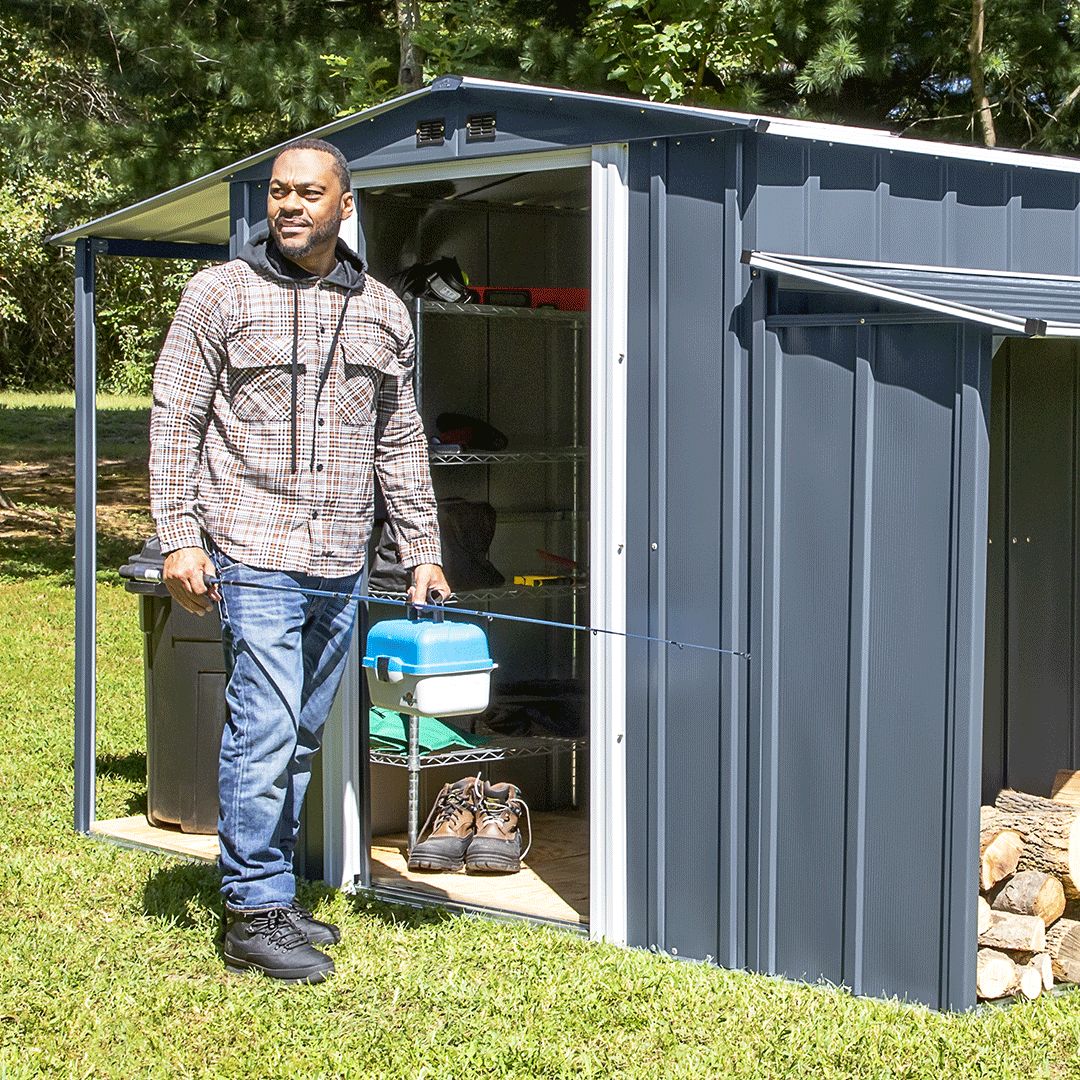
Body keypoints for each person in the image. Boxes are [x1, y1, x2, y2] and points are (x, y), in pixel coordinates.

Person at [149, 137, 449, 984]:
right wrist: (178, 534)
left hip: (342, 554)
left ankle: (272, 896)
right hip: (252, 545)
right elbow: (175, 417)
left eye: (309, 194)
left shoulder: (384, 310)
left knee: (304, 735)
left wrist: (421, 548)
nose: (290, 206)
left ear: (342, 206)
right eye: (279, 192)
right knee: (266, 724)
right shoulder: (219, 295)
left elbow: (400, 438)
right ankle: (250, 910)